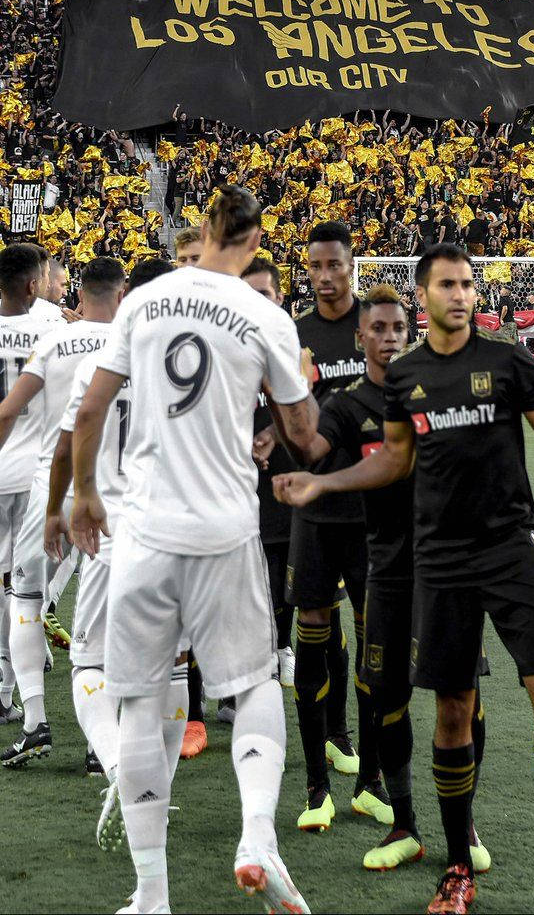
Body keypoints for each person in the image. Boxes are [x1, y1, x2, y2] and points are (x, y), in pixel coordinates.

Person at [276, 243, 534, 915]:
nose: (459, 294)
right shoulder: (405, 378)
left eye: (467, 284)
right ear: (425, 296)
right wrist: (321, 482)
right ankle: (454, 867)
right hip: (437, 560)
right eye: (446, 284)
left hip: (509, 552)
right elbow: (392, 460)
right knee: (450, 711)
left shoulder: (507, 361)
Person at [69, 186, 316, 915]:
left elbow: (89, 409)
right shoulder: (263, 313)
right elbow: (302, 431)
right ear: (254, 239)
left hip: (142, 534)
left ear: (203, 229)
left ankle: (150, 895)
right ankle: (256, 837)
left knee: (140, 704)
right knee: (254, 686)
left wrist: (84, 492)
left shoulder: (144, 300)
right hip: (223, 531)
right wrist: (286, 404)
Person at [45, 258, 178, 851]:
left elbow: (69, 442)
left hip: (108, 531)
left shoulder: (103, 363)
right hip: (174, 534)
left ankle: (122, 767)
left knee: (88, 665)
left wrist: (58, 507)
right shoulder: (187, 365)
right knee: (169, 669)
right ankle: (160, 796)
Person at [257, 221, 380, 831]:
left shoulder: (377, 329)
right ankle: (315, 787)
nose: (326, 276)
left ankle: (372, 777)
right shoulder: (294, 334)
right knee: (312, 635)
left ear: (352, 264)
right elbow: (281, 415)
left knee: (372, 644)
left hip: (372, 517)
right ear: (305, 271)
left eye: (336, 265)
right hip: (314, 515)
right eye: (315, 267)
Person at [0, 257, 126, 768]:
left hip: (49, 485)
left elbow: (10, 410)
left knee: (24, 596)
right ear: (120, 296)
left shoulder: (54, 338)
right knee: (109, 616)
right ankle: (103, 741)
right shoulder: (132, 344)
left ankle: (34, 722)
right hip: (112, 493)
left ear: (81, 291)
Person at [0, 246, 54, 724]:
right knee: (24, 587)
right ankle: (6, 684)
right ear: (33, 285)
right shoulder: (52, 329)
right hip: (35, 472)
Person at [242, 258, 296, 687]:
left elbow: (312, 406)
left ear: (281, 298)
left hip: (284, 475)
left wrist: (275, 433)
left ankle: (282, 647)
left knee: (281, 566)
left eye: (264, 294)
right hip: (233, 476)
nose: (255, 303)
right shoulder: (221, 343)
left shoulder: (297, 346)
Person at [172, 228, 207, 760]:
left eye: (196, 258)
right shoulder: (157, 317)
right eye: (181, 258)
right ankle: (189, 713)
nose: (187, 266)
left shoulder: (233, 316)